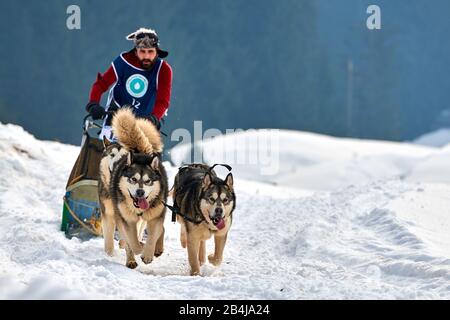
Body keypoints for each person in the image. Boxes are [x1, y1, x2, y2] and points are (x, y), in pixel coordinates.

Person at [86, 27, 172, 140]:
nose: (146, 56)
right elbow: (101, 84)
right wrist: (94, 104)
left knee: (147, 156)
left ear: (157, 52)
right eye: (142, 51)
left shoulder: (164, 69)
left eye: (150, 51)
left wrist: (155, 118)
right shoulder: (123, 61)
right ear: (136, 51)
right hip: (115, 117)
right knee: (104, 153)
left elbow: (163, 101)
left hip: (145, 122)